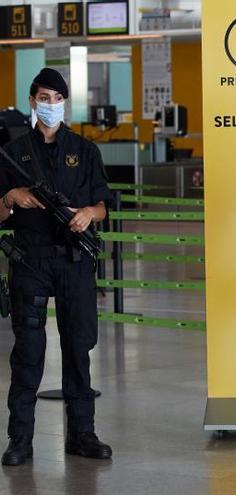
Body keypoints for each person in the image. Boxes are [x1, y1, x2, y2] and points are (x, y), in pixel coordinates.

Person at [0, 68, 113, 466]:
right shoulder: (13, 152)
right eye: (43, 97)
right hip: (30, 260)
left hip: (74, 261)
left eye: (57, 98)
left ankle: (82, 434)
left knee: (78, 348)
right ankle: (20, 439)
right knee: (29, 352)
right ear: (32, 101)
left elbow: (103, 203)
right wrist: (12, 196)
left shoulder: (85, 150)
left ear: (66, 103)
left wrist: (86, 214)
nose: (50, 105)